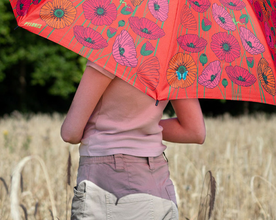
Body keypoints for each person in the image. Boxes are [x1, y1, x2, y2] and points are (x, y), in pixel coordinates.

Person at [61, 60, 206, 220]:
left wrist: (118, 124)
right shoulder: (176, 61)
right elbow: (194, 131)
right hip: (158, 182)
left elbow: (70, 133)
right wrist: (144, 125)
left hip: (107, 180)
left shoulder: (108, 53)